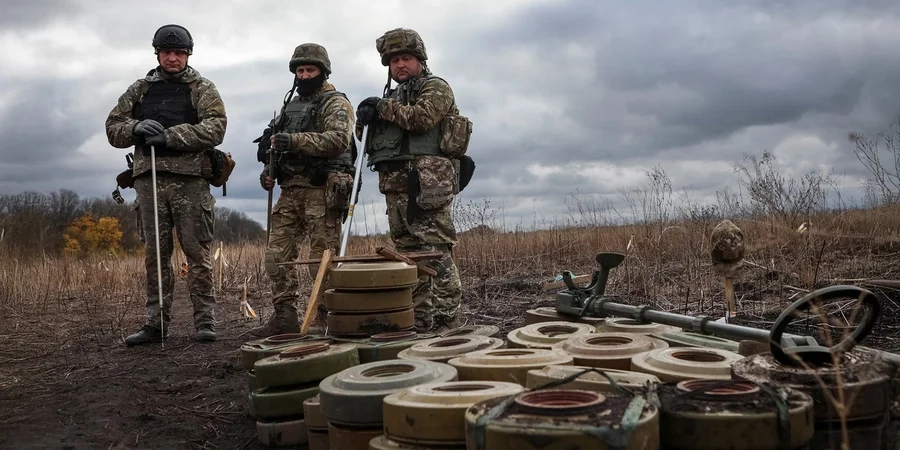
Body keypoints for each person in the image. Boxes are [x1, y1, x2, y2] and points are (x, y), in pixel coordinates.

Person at [105, 24, 227, 345]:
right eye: (167, 52)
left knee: (197, 253)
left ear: (188, 54)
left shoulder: (202, 87)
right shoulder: (140, 89)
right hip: (150, 181)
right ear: (157, 53)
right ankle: (155, 323)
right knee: (155, 255)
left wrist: (170, 136)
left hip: (190, 182)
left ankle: (205, 321)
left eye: (179, 53)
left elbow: (216, 128)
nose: (173, 58)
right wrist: (136, 127)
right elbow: (113, 128)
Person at [355, 28, 472, 332]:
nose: (400, 65)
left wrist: (381, 108)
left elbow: (421, 119)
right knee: (408, 257)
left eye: (406, 58)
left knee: (436, 253)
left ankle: (448, 322)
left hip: (427, 184)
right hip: (393, 187)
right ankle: (420, 319)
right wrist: (364, 119)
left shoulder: (436, 88)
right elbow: (366, 141)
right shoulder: (389, 98)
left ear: (420, 59)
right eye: (394, 61)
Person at [249, 43, 356, 337]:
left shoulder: (335, 103)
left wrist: (294, 141)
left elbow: (338, 140)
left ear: (323, 71)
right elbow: (276, 149)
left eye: (310, 70)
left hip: (322, 191)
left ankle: (327, 318)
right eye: (300, 70)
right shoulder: (289, 107)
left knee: (322, 261)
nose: (305, 75)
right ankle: (285, 316)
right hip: (290, 190)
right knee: (276, 257)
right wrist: (268, 172)